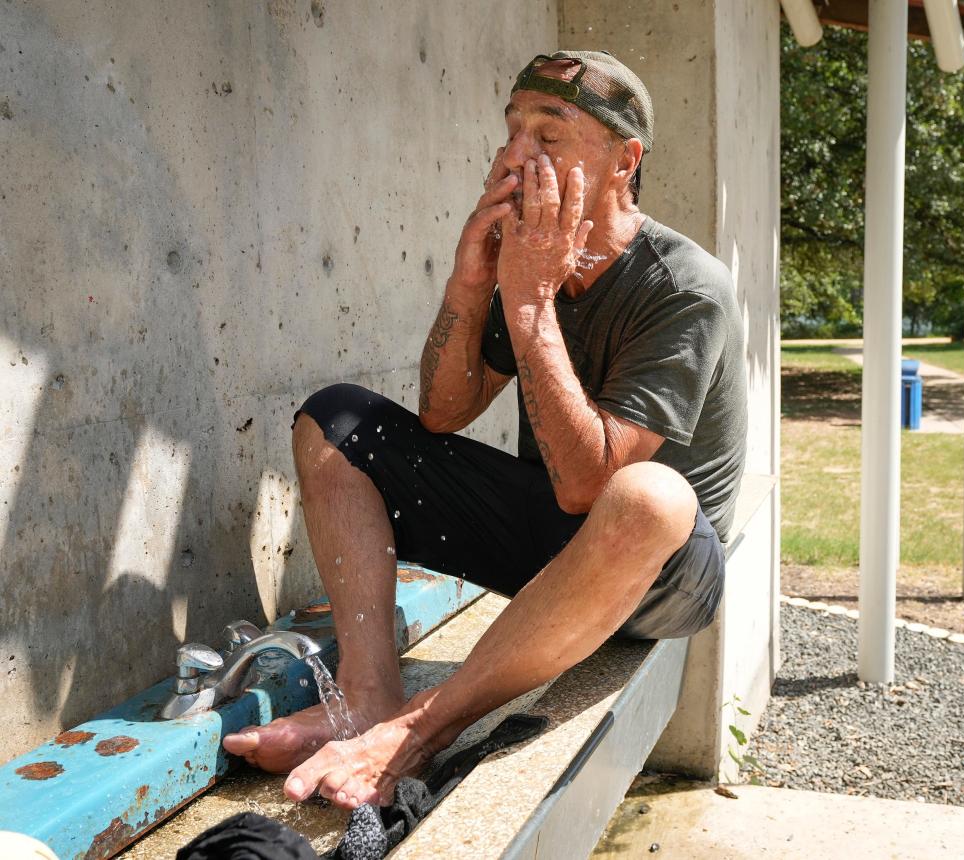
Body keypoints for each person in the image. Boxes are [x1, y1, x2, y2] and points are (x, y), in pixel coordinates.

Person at [222, 50, 746, 809]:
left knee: (648, 495)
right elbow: (442, 412)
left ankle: (418, 731)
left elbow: (589, 486)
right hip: (558, 545)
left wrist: (530, 302)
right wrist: (472, 286)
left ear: (624, 161)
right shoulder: (532, 252)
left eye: (550, 134)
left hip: (660, 569)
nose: (514, 155)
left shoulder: (684, 287)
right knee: (337, 422)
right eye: (511, 130)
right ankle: (368, 695)